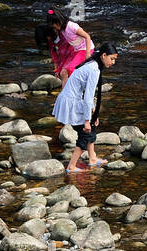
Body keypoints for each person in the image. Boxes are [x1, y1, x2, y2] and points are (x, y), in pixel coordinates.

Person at [51, 42, 118, 172]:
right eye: (112, 58)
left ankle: (92, 158)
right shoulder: (94, 69)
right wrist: (87, 120)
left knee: (91, 126)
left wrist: (93, 113)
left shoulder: (93, 64)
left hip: (73, 100)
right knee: (85, 133)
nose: (113, 62)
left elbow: (86, 94)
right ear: (104, 55)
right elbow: (88, 96)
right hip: (71, 102)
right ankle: (71, 166)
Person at [36, 8, 94, 84]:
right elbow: (55, 56)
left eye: (54, 26)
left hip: (81, 50)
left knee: (70, 69)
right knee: (63, 73)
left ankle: (79, 88)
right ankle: (65, 93)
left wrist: (87, 53)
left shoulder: (68, 28)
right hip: (76, 51)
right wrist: (57, 68)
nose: (55, 28)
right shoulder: (62, 32)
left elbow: (86, 37)